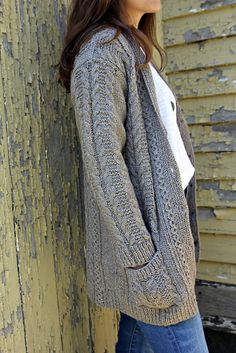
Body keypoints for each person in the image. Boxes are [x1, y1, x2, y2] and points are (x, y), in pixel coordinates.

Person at [57, 0, 210, 352]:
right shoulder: (101, 53)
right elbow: (105, 168)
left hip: (166, 248)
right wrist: (145, 265)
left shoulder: (131, 48)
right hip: (155, 258)